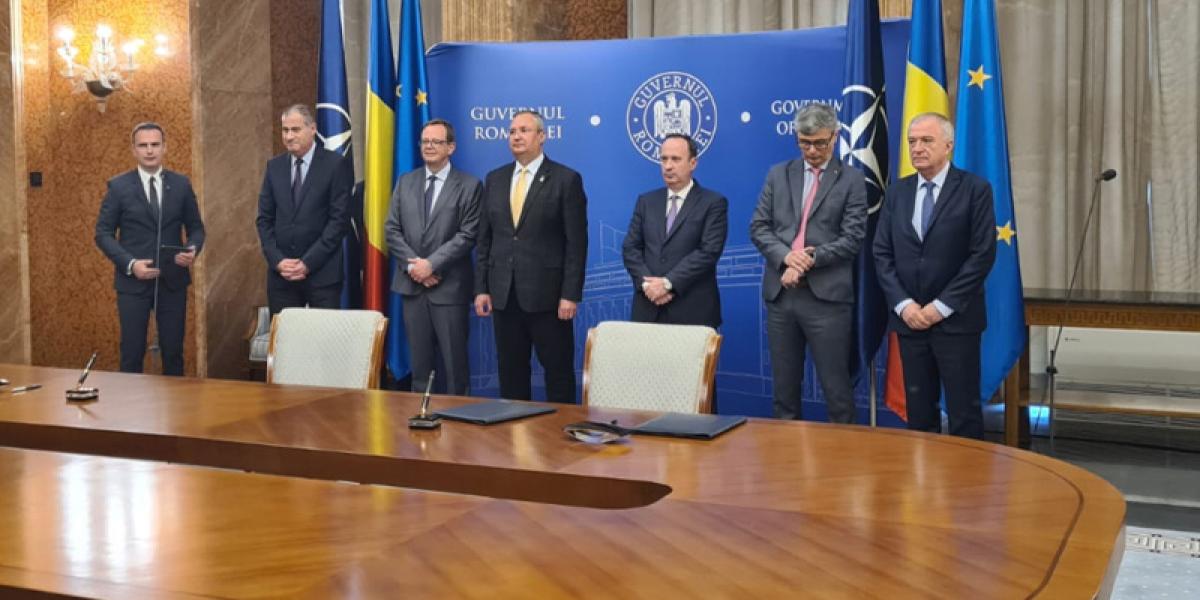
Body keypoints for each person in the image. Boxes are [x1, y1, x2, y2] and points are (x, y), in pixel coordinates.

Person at [873, 112, 997, 439]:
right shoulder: (897, 192)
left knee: (963, 414)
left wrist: (939, 308)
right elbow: (881, 253)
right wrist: (904, 306)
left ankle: (966, 473)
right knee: (919, 415)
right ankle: (923, 472)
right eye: (912, 141)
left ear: (948, 145)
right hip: (910, 322)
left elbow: (982, 255)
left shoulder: (974, 190)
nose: (917, 148)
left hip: (956, 322)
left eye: (926, 140)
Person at [750, 103, 868, 424]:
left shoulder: (852, 180)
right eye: (804, 143)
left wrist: (807, 260)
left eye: (820, 143)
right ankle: (786, 454)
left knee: (837, 392)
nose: (812, 151)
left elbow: (852, 238)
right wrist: (786, 257)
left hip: (827, 300)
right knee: (784, 393)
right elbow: (759, 227)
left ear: (835, 136)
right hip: (781, 296)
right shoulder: (778, 174)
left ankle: (843, 453)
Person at [474, 110, 588, 404]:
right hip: (504, 295)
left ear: (542, 136)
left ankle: (558, 433)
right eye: (512, 131)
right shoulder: (495, 179)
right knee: (511, 373)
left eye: (524, 130)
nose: (516, 136)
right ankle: (514, 429)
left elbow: (576, 243)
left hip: (549, 298)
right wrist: (482, 288)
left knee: (558, 374)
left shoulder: (565, 179)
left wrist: (570, 294)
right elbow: (485, 239)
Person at [95, 122, 205, 375]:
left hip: (172, 280)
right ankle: (131, 402)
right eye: (143, 145)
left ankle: (175, 401)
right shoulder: (118, 187)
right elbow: (102, 233)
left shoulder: (181, 184)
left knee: (173, 352)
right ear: (134, 150)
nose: (149, 151)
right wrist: (130, 264)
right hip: (132, 283)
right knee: (132, 352)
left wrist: (191, 249)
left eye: (155, 145)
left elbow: (197, 229)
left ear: (164, 147)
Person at [385, 119, 482, 396]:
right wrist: (415, 267)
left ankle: (458, 419)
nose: (428, 146)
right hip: (412, 287)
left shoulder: (469, 185)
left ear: (451, 147)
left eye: (436, 142)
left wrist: (431, 265)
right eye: (425, 141)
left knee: (455, 368)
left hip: (449, 289)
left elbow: (467, 235)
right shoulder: (406, 182)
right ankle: (422, 416)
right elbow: (392, 229)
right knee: (419, 367)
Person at [256, 104, 353, 315]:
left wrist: (308, 263)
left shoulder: (335, 165)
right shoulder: (274, 167)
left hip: (323, 276)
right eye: (285, 130)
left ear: (313, 129)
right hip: (282, 278)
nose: (289, 136)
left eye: (295, 130)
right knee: (284, 335)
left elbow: (339, 222)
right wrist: (278, 261)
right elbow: (264, 219)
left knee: (324, 335)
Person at [622, 133, 727, 329]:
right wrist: (648, 286)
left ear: (693, 163)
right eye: (664, 159)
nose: (668, 166)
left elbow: (708, 252)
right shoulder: (646, 201)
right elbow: (631, 248)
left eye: (675, 159)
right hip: (648, 309)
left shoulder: (713, 203)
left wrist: (668, 283)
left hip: (693, 312)